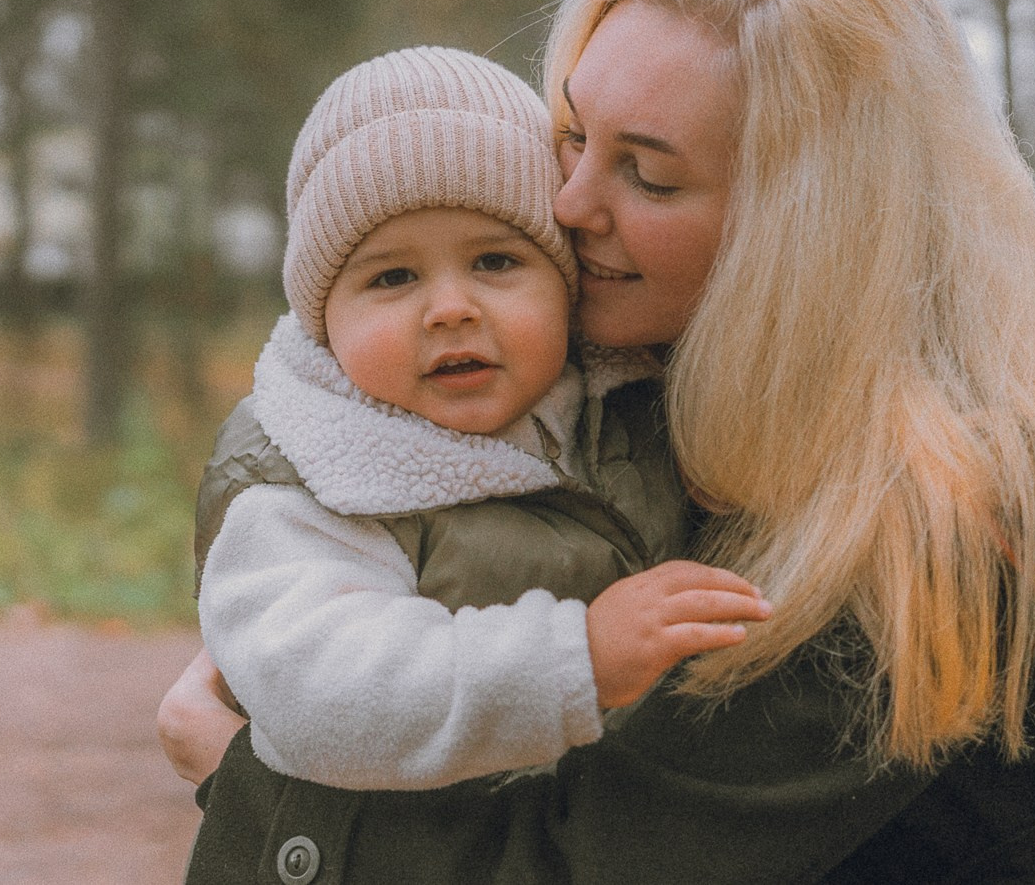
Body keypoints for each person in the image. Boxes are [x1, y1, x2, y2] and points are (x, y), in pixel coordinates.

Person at [165, 0, 1035, 884]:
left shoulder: (923, 520)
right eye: (570, 137)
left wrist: (240, 771)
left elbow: (586, 860)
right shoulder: (693, 411)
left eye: (645, 173)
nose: (565, 204)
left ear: (802, 234)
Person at [194, 45, 772, 799]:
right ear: (321, 320)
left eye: (496, 262)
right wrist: (574, 658)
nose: (451, 308)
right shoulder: (307, 479)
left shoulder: (632, 400)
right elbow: (317, 691)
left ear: (565, 282)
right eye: (393, 276)